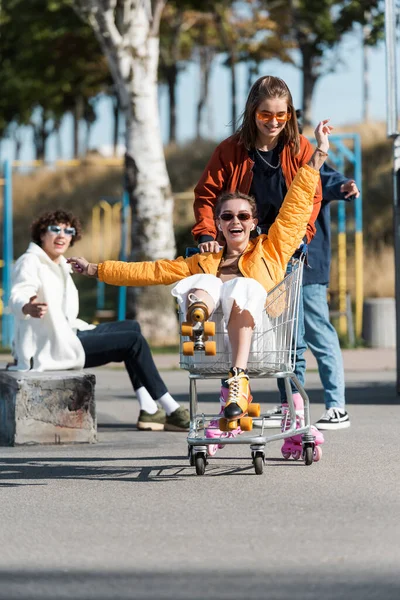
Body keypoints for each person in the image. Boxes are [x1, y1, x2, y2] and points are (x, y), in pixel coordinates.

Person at [67, 119, 332, 458]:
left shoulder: (273, 247)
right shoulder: (205, 258)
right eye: (227, 217)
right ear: (218, 224)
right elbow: (153, 271)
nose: (235, 222)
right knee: (201, 280)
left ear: (254, 221)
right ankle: (199, 318)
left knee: (243, 288)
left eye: (242, 216)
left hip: (259, 340)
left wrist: (318, 152)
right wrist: (96, 269)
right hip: (210, 345)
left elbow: (296, 207)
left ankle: (238, 380)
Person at [191, 75, 323, 426]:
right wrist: (207, 233)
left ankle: (290, 408)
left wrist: (302, 235)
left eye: (282, 115)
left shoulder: (300, 148)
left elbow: (312, 195)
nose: (275, 122)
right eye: (266, 114)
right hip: (239, 252)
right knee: (232, 327)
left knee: (288, 338)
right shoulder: (230, 150)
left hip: (281, 253)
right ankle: (232, 403)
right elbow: (207, 195)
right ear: (252, 112)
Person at [8, 210, 190, 432]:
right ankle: (171, 409)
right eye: (55, 229)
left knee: (131, 327)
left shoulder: (59, 264)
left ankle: (149, 409)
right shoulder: (30, 261)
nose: (62, 235)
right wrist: (27, 306)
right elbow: (19, 292)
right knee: (133, 341)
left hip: (68, 335)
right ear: (41, 233)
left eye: (68, 230)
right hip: (49, 349)